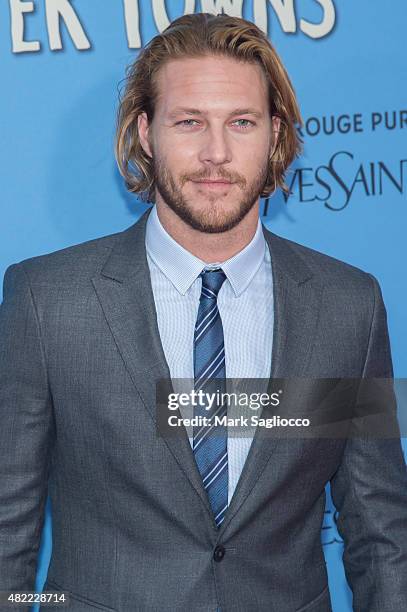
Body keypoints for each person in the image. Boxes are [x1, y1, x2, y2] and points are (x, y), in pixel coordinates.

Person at [0, 12, 406, 612]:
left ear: (273, 136)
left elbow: (381, 534)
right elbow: (9, 524)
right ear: (146, 132)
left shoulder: (348, 306)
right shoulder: (46, 300)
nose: (215, 153)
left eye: (240, 122)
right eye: (189, 122)